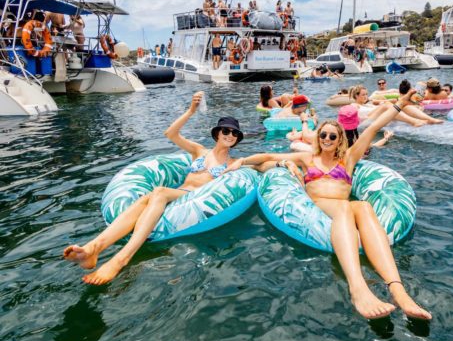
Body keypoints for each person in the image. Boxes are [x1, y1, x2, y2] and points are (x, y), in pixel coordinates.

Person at [228, 89, 431, 320]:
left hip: (342, 207)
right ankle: (358, 288)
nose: (326, 139)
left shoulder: (348, 160)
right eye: (323, 135)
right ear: (318, 137)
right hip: (319, 207)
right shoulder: (307, 159)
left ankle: (398, 290)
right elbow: (265, 157)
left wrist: (401, 103)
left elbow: (373, 128)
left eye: (332, 136)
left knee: (363, 206)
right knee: (346, 207)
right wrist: (243, 160)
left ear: (340, 140)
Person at [63, 93, 245, 284]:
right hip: (177, 193)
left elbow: (264, 160)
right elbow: (170, 134)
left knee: (158, 191)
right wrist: (190, 111)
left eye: (234, 133)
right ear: (217, 134)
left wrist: (265, 161)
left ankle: (121, 259)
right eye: (226, 131)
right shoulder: (200, 151)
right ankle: (94, 248)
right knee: (144, 200)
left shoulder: (233, 162)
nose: (230, 135)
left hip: (194, 197)